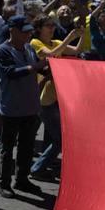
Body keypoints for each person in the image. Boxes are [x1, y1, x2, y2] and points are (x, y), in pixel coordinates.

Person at [0, 16, 47, 198]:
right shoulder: (3, 50)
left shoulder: (29, 48)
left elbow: (40, 68)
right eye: (24, 31)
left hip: (30, 106)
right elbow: (11, 73)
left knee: (27, 146)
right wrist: (34, 67)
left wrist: (53, 67)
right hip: (10, 108)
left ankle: (22, 180)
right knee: (7, 148)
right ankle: (4, 183)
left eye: (29, 31)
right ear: (13, 31)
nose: (28, 34)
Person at [29, 15, 82, 180]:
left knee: (52, 136)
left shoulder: (58, 42)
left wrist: (82, 34)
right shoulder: (35, 43)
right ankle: (37, 169)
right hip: (43, 97)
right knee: (60, 139)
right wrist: (70, 38)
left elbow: (76, 51)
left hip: (57, 96)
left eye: (53, 25)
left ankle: (45, 164)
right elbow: (50, 55)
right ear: (39, 29)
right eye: (48, 25)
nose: (52, 28)